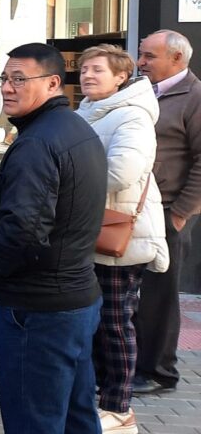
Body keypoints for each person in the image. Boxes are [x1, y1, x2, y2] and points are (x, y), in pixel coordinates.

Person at [0, 42, 107, 434]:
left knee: (35, 421)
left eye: (19, 79)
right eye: (5, 78)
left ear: (51, 83)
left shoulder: (37, 142)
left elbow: (24, 231)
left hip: (39, 309)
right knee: (76, 418)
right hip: (74, 301)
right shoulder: (74, 129)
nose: (8, 88)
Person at [75, 44, 170, 434]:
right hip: (93, 230)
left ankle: (118, 407)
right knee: (96, 322)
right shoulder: (90, 112)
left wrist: (69, 188)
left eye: (98, 70)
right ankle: (101, 396)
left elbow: (122, 171)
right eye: (83, 69)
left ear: (120, 77)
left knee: (115, 322)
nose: (88, 75)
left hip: (120, 236)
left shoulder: (131, 116)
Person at [133, 29, 201, 396]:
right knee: (129, 291)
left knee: (159, 295)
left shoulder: (195, 96)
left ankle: (159, 372)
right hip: (135, 209)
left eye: (148, 56)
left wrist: (180, 214)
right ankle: (127, 363)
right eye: (141, 54)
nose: (140, 62)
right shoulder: (143, 91)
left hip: (167, 213)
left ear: (177, 59)